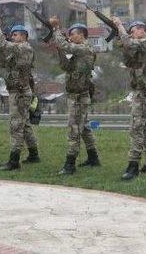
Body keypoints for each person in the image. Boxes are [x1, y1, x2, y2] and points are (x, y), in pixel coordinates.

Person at [112, 17, 146, 181]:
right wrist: (121, 40)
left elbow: (130, 44)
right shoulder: (139, 45)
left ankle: (133, 165)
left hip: (145, 91)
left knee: (136, 126)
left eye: (134, 31)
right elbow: (129, 59)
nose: (132, 35)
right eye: (130, 32)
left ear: (143, 30)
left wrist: (120, 26)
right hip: (140, 90)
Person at [48, 19, 100, 175]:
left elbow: (66, 45)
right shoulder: (78, 52)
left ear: (82, 35)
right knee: (83, 128)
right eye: (69, 34)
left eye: (72, 34)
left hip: (79, 96)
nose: (70, 37)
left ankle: (70, 164)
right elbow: (65, 66)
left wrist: (56, 28)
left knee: (73, 129)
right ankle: (93, 157)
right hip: (75, 94)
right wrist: (59, 50)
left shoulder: (84, 48)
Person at [0, 16, 39, 171]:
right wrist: (0, 47)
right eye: (12, 35)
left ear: (24, 36)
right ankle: (33, 154)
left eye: (15, 34)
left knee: (16, 125)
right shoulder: (16, 50)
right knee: (24, 125)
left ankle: (14, 160)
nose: (13, 37)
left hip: (19, 92)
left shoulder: (24, 47)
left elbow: (5, 44)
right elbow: (3, 62)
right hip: (17, 91)